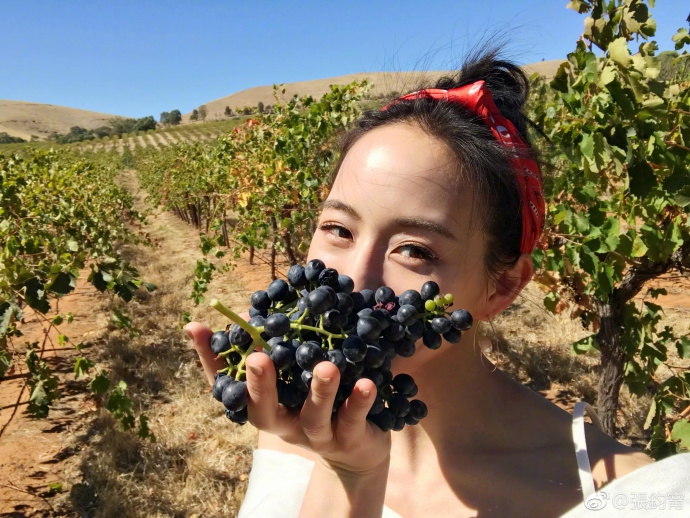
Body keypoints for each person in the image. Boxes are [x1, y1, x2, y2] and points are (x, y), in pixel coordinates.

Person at [184, 50, 689, 517]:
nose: (353, 279)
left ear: (503, 287)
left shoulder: (637, 501)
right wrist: (347, 470)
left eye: (415, 250)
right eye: (338, 229)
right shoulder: (289, 425)